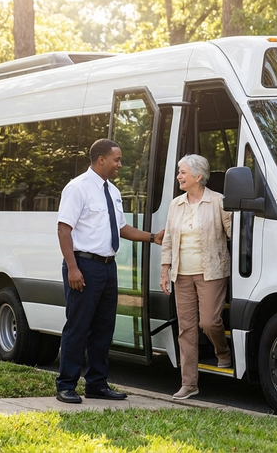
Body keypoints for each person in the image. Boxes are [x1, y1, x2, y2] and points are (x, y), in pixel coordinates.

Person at [55, 138, 164, 404]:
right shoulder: (77, 188)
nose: (120, 164)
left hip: (107, 267)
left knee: (104, 328)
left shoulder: (113, 191)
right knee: (78, 326)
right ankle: (66, 385)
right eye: (117, 159)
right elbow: (63, 229)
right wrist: (72, 268)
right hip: (84, 266)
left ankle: (96, 384)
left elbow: (122, 229)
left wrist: (153, 237)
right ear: (101, 159)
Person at [159, 154, 233, 400]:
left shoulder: (218, 202)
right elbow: (168, 238)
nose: (178, 176)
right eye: (179, 172)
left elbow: (235, 233)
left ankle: (223, 352)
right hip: (182, 274)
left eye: (182, 172)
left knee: (209, 322)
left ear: (198, 176)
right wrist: (164, 270)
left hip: (212, 272)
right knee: (186, 329)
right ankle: (189, 383)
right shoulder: (175, 204)